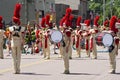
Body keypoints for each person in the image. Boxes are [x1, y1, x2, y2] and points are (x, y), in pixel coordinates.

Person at [9, 3, 24, 74]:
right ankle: (18, 69)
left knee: (14, 57)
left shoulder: (11, 28)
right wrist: (22, 44)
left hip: (13, 42)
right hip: (19, 42)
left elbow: (9, 37)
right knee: (19, 57)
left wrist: (9, 44)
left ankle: (15, 70)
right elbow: (23, 37)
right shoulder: (21, 28)